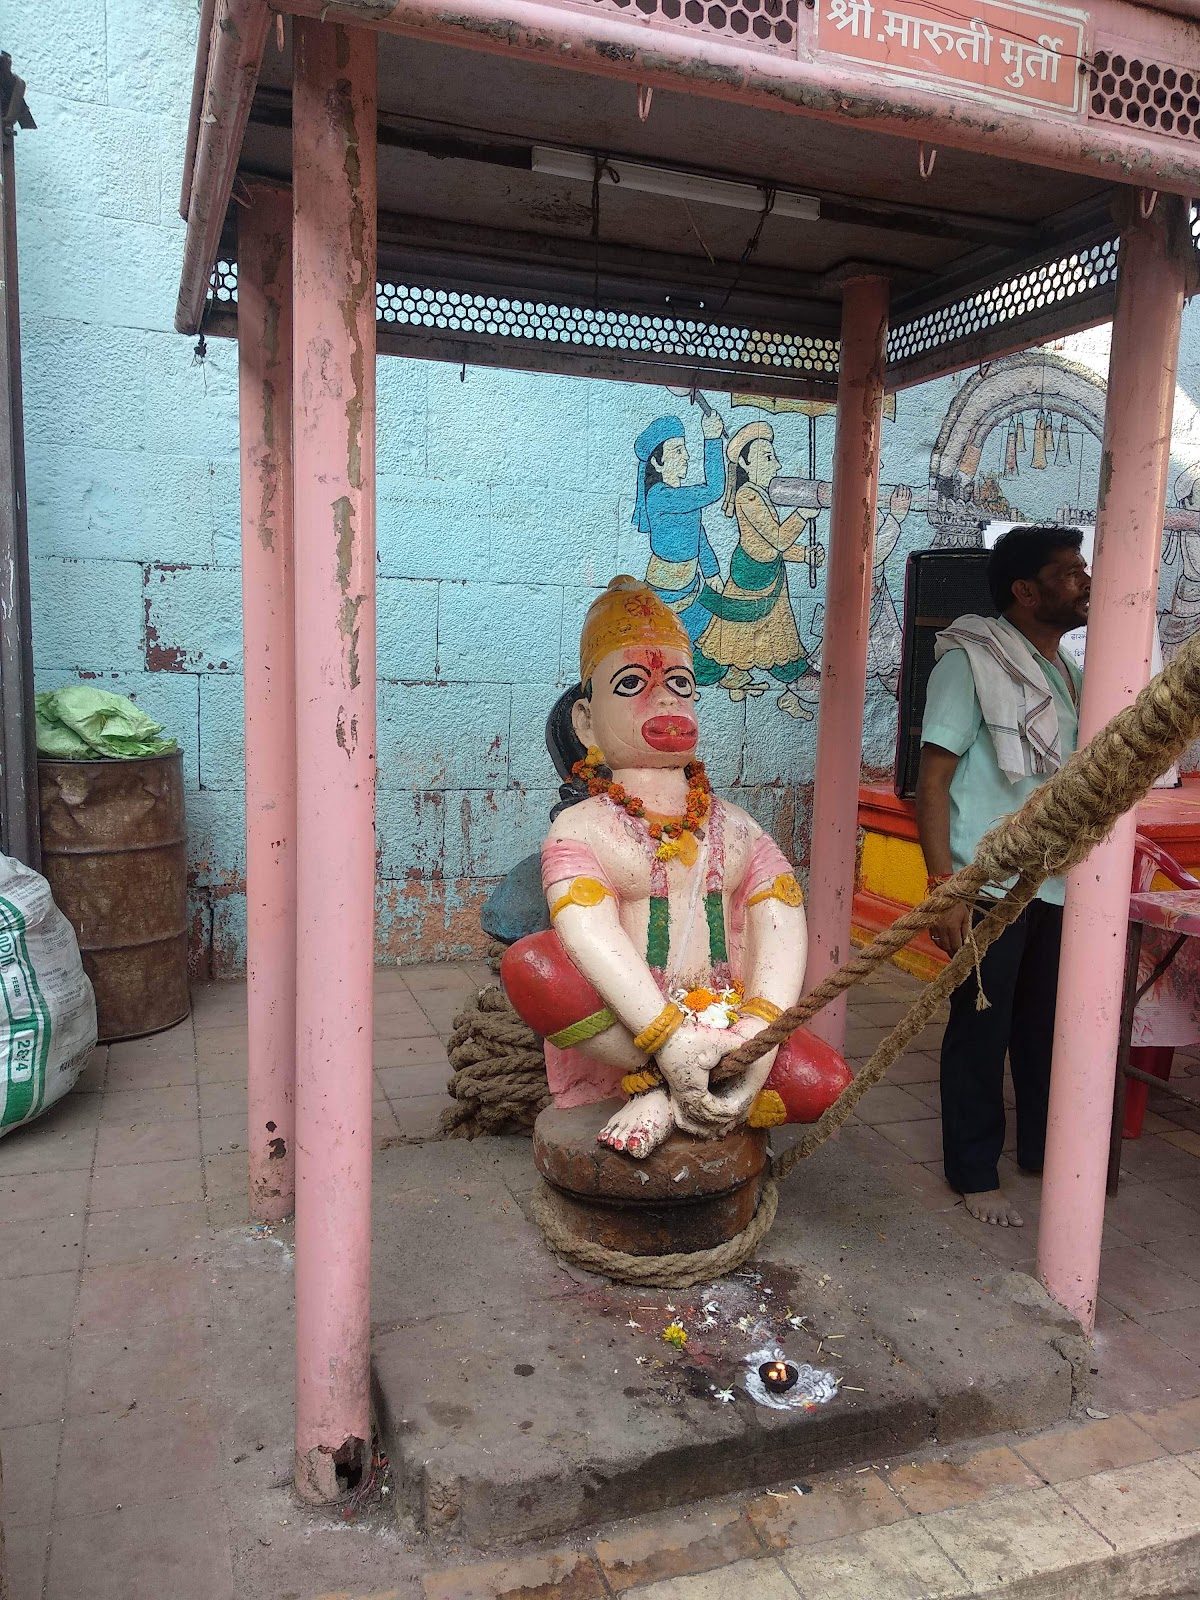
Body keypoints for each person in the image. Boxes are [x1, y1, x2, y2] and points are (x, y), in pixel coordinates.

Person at [499, 576, 851, 1159]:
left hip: (733, 1023)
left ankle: (677, 1093)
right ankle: (671, 1076)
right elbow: (589, 936)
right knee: (531, 966)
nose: (665, 701)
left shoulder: (735, 824)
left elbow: (781, 925)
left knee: (829, 1085)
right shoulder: (581, 827)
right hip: (630, 1034)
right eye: (634, 684)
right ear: (587, 722)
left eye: (680, 685)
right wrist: (669, 1041)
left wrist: (755, 1043)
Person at [915, 525, 1090, 1227]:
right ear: (1025, 590)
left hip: (1055, 879)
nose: (1084, 581)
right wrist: (943, 887)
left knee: (1047, 1026)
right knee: (980, 1031)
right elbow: (933, 781)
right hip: (987, 882)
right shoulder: (970, 662)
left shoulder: (1067, 670)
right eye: (1069, 572)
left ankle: (1043, 1155)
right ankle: (973, 1171)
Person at [696, 422, 825, 718]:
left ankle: (776, 688)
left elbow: (771, 546)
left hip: (770, 572)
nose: (776, 463)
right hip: (750, 576)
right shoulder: (748, 497)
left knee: (779, 635)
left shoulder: (761, 495)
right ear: (745, 462)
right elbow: (777, 538)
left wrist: (804, 555)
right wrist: (802, 515)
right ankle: (713, 676)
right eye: (767, 457)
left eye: (773, 455)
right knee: (729, 636)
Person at [633, 413, 731, 690]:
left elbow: (698, 534)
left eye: (685, 448)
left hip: (691, 583)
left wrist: (712, 572)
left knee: (694, 635)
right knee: (672, 640)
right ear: (657, 461)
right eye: (678, 450)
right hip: (669, 590)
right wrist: (712, 439)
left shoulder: (681, 498)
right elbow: (714, 490)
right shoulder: (661, 497)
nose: (686, 456)